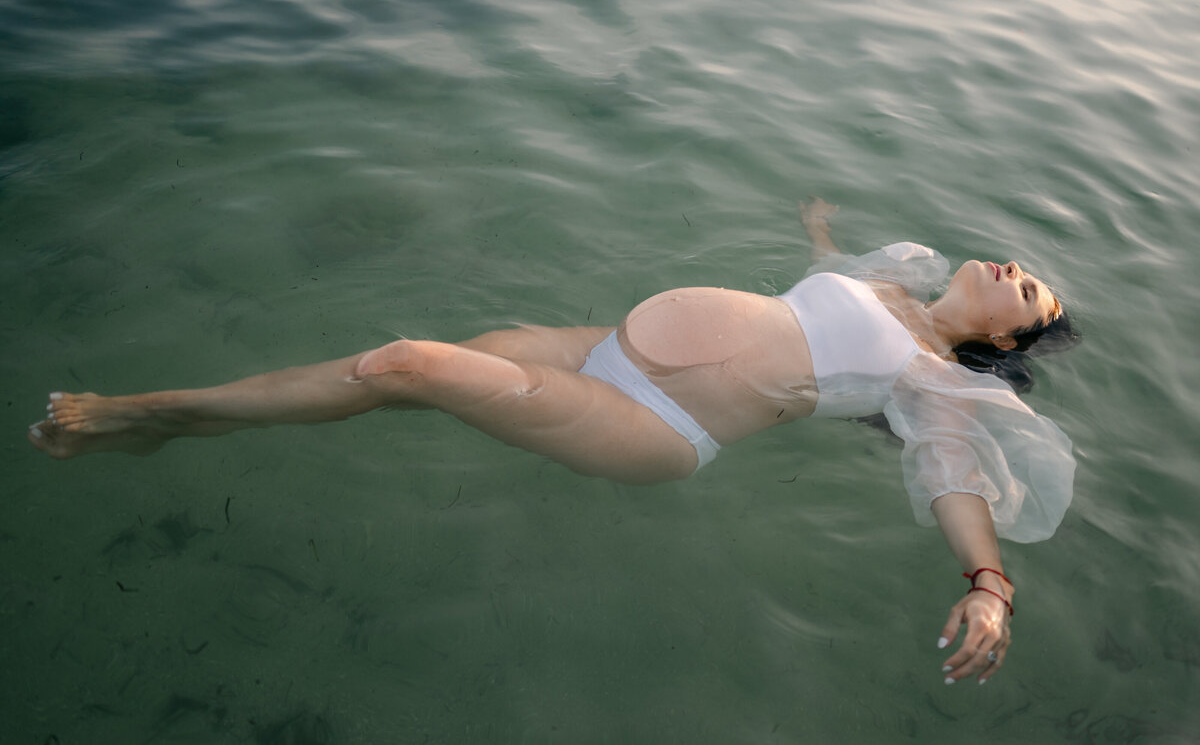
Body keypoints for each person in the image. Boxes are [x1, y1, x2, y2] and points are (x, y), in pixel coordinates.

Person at [27, 198, 1077, 686]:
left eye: (1029, 292)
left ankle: (147, 419)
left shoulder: (933, 382)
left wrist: (988, 582)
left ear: (1005, 335)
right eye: (1024, 265)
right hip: (601, 348)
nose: (1015, 270)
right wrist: (817, 238)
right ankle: (163, 419)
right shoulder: (889, 280)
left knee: (407, 366)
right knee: (388, 385)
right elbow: (828, 284)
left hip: (652, 423)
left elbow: (950, 473)